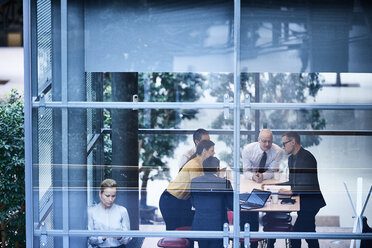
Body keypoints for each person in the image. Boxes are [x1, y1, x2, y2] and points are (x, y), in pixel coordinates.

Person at [280, 131, 326, 248]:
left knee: (296, 234)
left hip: (310, 203)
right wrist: (274, 185)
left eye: (284, 144)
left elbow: (306, 184)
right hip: (302, 202)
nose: (283, 147)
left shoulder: (307, 158)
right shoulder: (291, 159)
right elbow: (292, 181)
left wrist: (290, 192)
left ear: (293, 142)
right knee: (310, 232)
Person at [159, 140, 215, 230]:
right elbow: (198, 190)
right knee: (175, 232)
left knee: (186, 229)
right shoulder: (195, 165)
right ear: (204, 151)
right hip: (171, 201)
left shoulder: (199, 164)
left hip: (180, 201)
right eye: (212, 151)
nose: (214, 153)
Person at [241, 129, 282, 248]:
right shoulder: (248, 149)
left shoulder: (277, 151)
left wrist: (263, 176)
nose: (267, 144)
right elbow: (245, 170)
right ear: (258, 140)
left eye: (269, 141)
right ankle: (247, 242)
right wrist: (253, 177)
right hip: (250, 183)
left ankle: (270, 243)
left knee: (272, 209)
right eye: (264, 141)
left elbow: (273, 171)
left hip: (268, 183)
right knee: (249, 211)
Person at [190, 157, 233, 248]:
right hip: (218, 228)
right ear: (217, 169)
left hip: (200, 227)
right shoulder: (224, 183)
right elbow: (232, 206)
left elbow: (194, 203)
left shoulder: (194, 182)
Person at [88, 179, 132, 248]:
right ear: (100, 194)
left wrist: (119, 237)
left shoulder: (122, 211)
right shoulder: (91, 212)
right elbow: (90, 239)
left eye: (113, 196)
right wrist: (102, 237)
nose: (110, 199)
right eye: (107, 196)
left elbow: (128, 238)